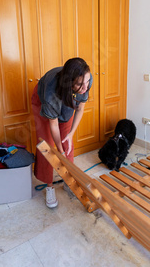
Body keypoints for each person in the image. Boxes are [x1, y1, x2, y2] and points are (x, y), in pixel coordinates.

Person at [32, 57, 92, 208]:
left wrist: (70, 134)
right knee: (47, 145)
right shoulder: (51, 94)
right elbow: (53, 125)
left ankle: (68, 180)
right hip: (43, 101)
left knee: (66, 143)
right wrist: (59, 150)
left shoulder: (84, 81)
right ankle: (49, 186)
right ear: (71, 82)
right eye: (80, 84)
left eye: (87, 82)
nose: (85, 87)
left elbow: (80, 108)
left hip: (67, 95)